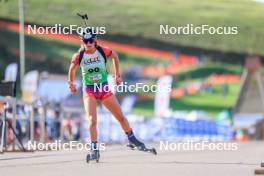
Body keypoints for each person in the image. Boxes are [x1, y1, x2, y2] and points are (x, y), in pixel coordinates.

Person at [67, 28, 145, 161]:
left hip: (103, 88)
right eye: (86, 41)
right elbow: (72, 69)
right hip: (89, 90)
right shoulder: (79, 55)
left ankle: (132, 138)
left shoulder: (102, 50)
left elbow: (115, 56)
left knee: (120, 116)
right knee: (92, 121)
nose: (89, 43)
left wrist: (117, 75)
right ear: (82, 41)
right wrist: (71, 84)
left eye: (91, 40)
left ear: (95, 40)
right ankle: (94, 149)